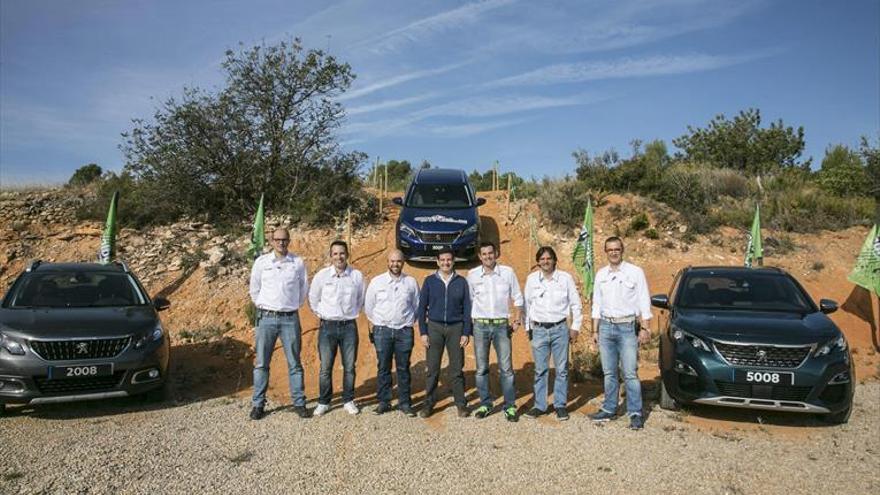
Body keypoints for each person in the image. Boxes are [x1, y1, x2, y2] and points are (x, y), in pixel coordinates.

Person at [588, 236, 653, 430]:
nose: (614, 252)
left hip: (627, 328)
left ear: (622, 250)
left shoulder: (635, 272)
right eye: (610, 250)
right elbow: (597, 304)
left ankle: (635, 413)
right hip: (606, 327)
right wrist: (594, 330)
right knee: (609, 372)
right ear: (605, 252)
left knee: (630, 373)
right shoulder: (601, 274)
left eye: (617, 249)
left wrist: (645, 327)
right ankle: (609, 408)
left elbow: (644, 301)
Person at [248, 228, 310, 420]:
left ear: (289, 241)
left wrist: (289, 306)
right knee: (261, 363)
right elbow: (254, 289)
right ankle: (258, 404)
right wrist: (265, 306)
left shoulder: (297, 263)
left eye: (284, 240)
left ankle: (299, 403)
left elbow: (303, 290)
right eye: (277, 240)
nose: (281, 243)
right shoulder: (261, 262)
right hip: (266, 318)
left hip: (290, 319)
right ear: (271, 241)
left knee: (295, 363)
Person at [523, 246, 582, 421]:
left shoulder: (565, 279)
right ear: (538, 262)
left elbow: (576, 304)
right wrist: (528, 328)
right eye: (542, 259)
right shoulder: (532, 279)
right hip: (539, 329)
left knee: (562, 369)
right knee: (540, 370)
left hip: (560, 330)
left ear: (555, 260)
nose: (545, 261)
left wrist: (575, 327)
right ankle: (540, 406)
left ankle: (560, 405)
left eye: (549, 258)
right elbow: (526, 305)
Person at [467, 241, 523, 422]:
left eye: (490, 253)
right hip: (480, 326)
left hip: (501, 326)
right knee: (481, 368)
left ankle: (510, 406)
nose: (488, 256)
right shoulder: (472, 275)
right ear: (479, 256)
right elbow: (468, 302)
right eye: (484, 254)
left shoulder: (507, 273)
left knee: (506, 368)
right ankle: (485, 404)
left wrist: (516, 320)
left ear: (496, 253)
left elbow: (518, 297)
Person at [309, 240, 365, 416]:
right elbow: (313, 298)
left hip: (349, 327)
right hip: (327, 327)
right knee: (325, 367)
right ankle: (324, 401)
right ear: (330, 256)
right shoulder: (322, 276)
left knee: (349, 366)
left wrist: (352, 313)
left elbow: (361, 300)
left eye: (342, 253)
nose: (339, 257)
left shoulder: (356, 276)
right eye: (335, 254)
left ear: (347, 254)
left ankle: (348, 400)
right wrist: (322, 314)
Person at [417, 248, 472, 418]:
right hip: (434, 327)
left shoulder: (461, 282)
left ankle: (461, 404)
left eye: (449, 260)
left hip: (456, 328)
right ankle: (429, 403)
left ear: (453, 261)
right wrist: (423, 332)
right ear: (437, 262)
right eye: (443, 260)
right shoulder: (429, 281)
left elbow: (467, 309)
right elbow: (421, 308)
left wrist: (466, 332)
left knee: (456, 369)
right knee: (433, 369)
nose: (446, 263)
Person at [364, 249, 420, 417]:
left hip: (404, 331)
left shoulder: (410, 282)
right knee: (383, 367)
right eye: (392, 261)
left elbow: (416, 306)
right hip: (383, 330)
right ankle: (384, 401)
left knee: (403, 368)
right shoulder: (377, 282)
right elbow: (369, 306)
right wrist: (381, 322)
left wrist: (408, 321)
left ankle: (405, 403)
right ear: (387, 262)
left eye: (398, 261)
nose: (395, 264)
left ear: (403, 263)